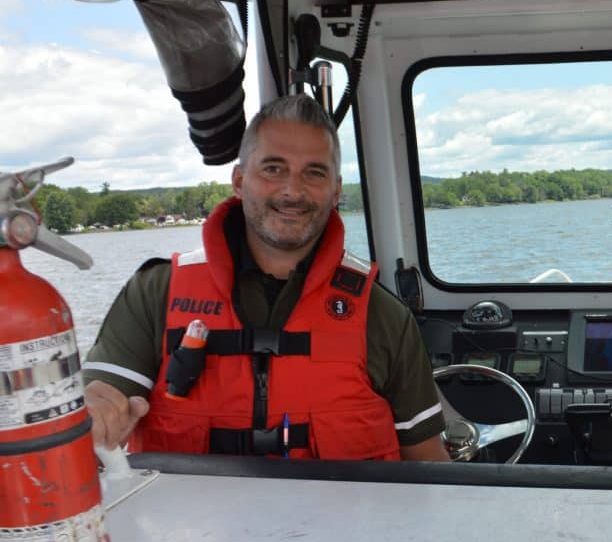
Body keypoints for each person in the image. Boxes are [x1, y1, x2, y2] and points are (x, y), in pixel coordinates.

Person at [83, 95, 448, 461]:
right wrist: (93, 411)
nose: (293, 191)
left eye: (314, 172)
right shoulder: (154, 294)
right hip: (190, 520)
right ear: (239, 181)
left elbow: (429, 464)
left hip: (344, 519)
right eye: (273, 169)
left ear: (336, 191)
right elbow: (98, 402)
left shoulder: (383, 314)